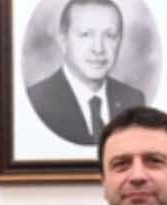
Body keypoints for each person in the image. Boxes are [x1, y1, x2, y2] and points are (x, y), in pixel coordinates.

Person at [27, 0, 146, 146]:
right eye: (86, 34)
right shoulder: (37, 101)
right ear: (63, 41)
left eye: (110, 35)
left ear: (120, 40)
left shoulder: (133, 100)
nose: (98, 49)